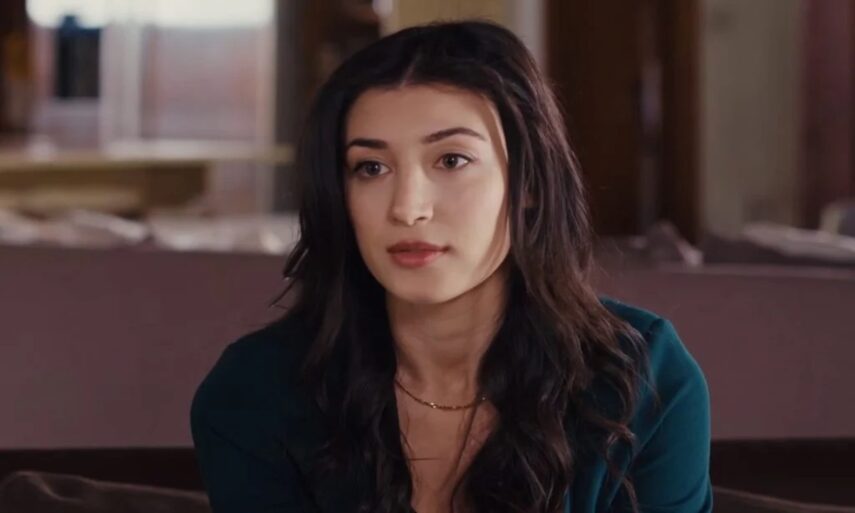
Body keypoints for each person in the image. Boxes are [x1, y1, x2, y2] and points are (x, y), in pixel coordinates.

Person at [190, 20, 712, 513]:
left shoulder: (645, 378)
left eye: (451, 160)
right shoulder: (255, 391)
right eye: (371, 167)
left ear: (529, 182)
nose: (408, 208)